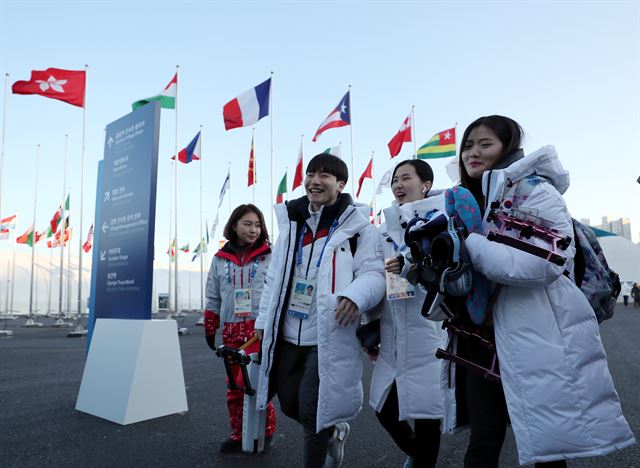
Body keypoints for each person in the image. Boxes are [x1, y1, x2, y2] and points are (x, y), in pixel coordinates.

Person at [441, 115, 635, 467]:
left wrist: (469, 245)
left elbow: (542, 264)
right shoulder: (461, 200)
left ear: (508, 147)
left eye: (486, 144)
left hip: (534, 333)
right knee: (482, 444)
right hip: (478, 336)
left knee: (548, 445)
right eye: (468, 145)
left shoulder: (535, 190)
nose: (473, 152)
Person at [254, 153, 385, 468]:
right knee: (288, 403)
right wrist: (262, 322)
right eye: (311, 173)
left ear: (340, 184)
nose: (315, 180)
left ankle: (320, 444)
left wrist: (355, 295)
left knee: (312, 410)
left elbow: (374, 274)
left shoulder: (359, 229)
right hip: (286, 331)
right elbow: (273, 279)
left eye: (325, 175)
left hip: (327, 332)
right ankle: (333, 430)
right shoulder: (291, 225)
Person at [369, 159, 446, 468]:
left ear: (425, 184)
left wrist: (411, 264)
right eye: (395, 181)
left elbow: (448, 267)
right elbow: (375, 278)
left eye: (406, 178)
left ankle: (423, 460)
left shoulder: (443, 220)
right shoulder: (384, 230)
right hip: (393, 334)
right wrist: (368, 323)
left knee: (428, 413)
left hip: (430, 331)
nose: (398, 185)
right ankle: (416, 454)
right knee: (383, 408)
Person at [202, 204, 277, 453]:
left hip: (260, 330)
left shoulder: (272, 256)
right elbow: (213, 296)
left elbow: (279, 292)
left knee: (254, 383)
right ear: (234, 225)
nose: (254, 230)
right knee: (233, 387)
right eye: (247, 224)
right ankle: (238, 434)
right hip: (232, 329)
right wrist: (211, 325)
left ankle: (264, 432)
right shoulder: (219, 259)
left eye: (257, 225)